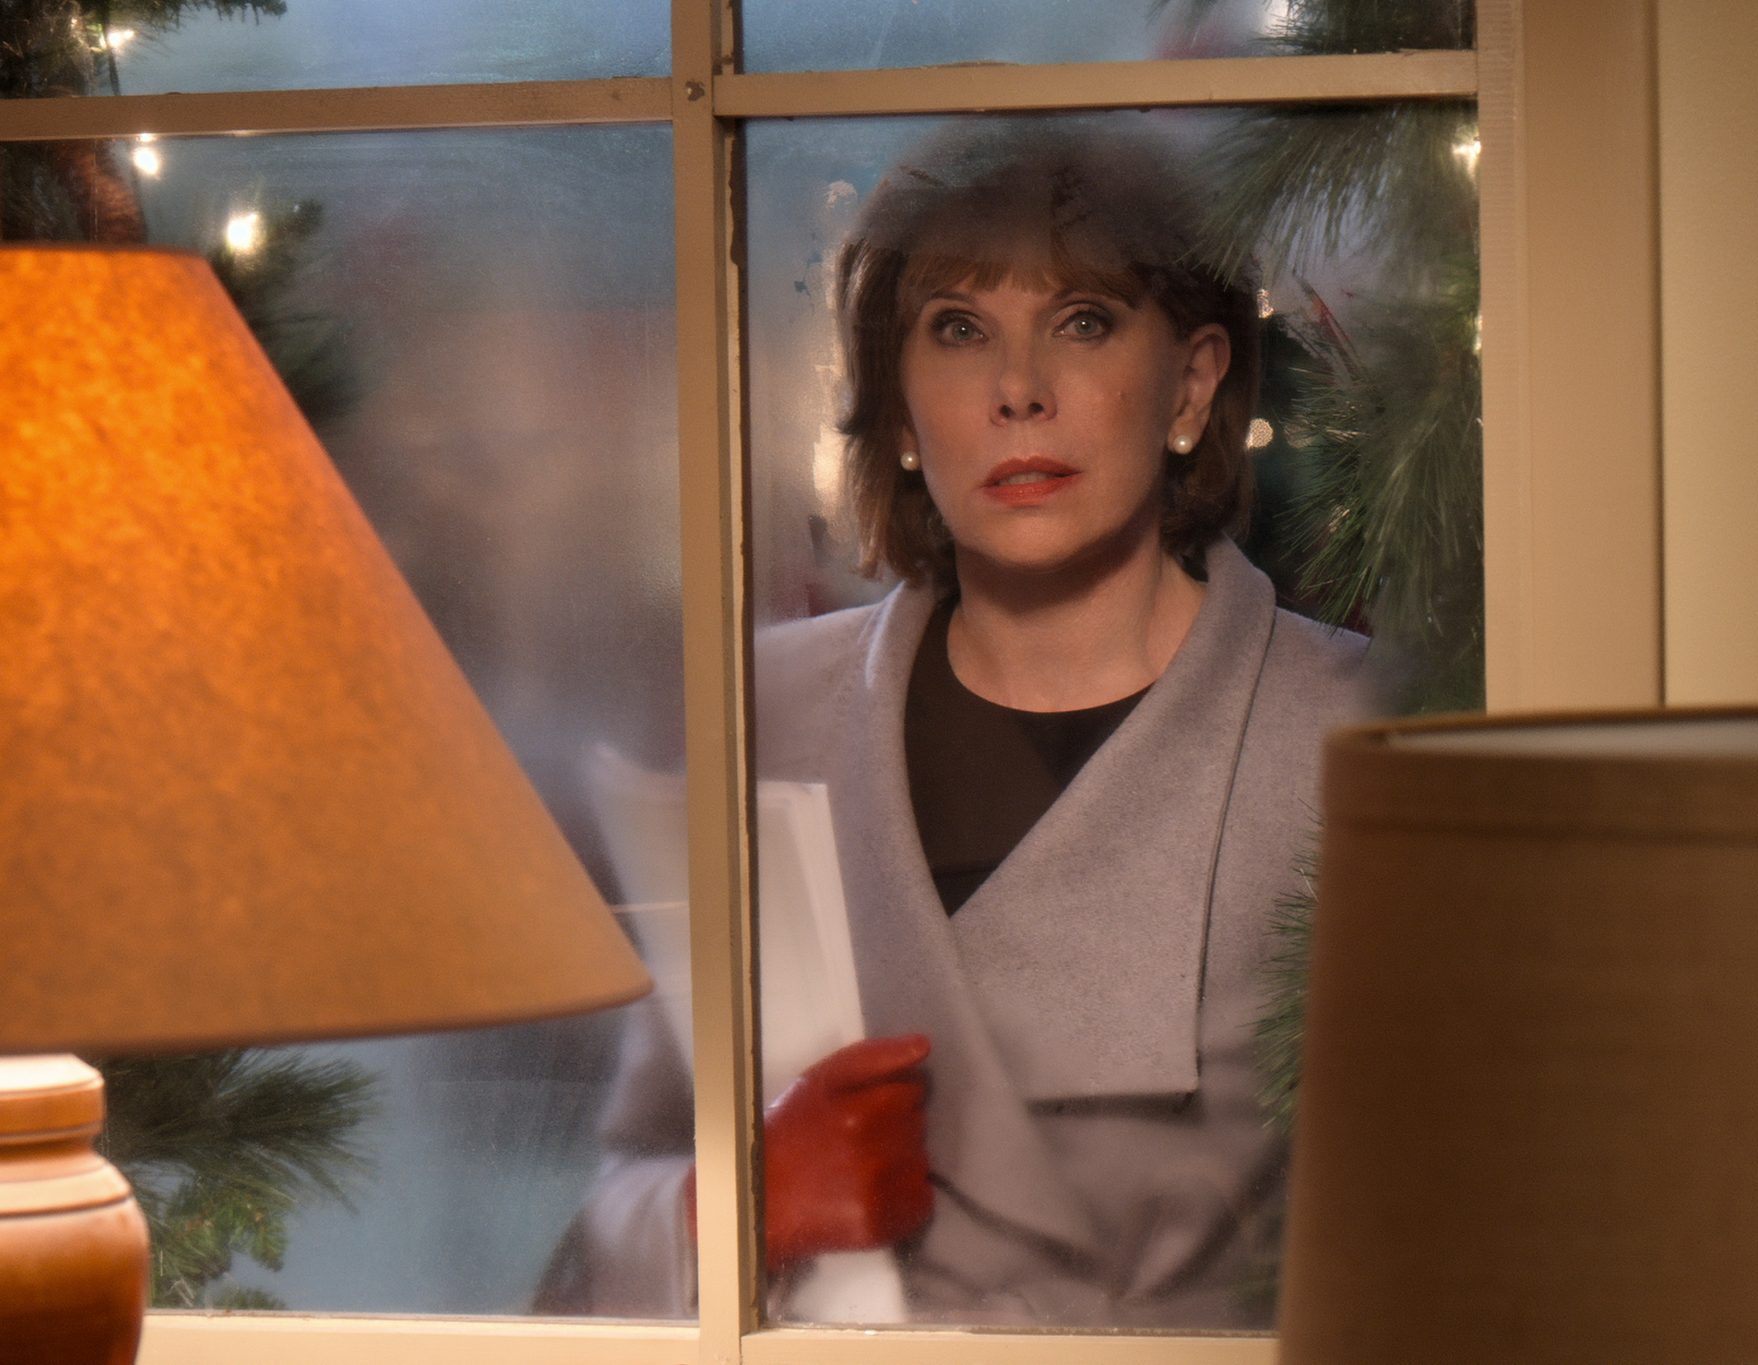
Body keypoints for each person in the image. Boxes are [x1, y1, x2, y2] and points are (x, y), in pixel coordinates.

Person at [544, 116, 1377, 1328]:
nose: (1017, 391)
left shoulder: (1352, 736)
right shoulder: (761, 713)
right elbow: (611, 1214)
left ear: (1191, 383)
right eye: (956, 329)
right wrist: (733, 1205)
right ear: (895, 408)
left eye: (1082, 321)